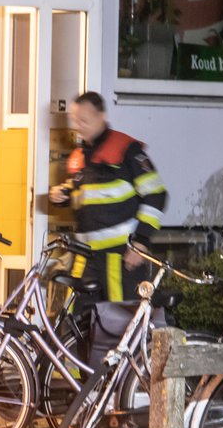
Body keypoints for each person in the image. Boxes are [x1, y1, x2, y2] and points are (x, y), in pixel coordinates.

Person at [48, 91, 168, 302]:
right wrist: (63, 194)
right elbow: (86, 193)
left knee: (119, 324)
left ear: (101, 117)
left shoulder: (125, 150)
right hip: (85, 257)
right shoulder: (80, 156)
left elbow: (156, 195)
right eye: (76, 120)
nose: (79, 126)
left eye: (84, 120)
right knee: (75, 323)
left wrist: (141, 242)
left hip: (120, 257)